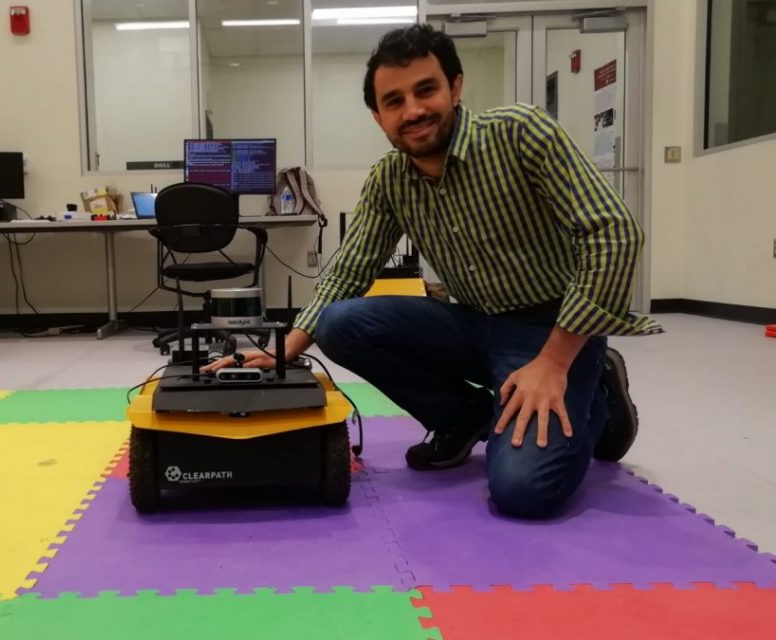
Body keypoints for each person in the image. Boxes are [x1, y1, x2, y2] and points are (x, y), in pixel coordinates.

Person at [204, 24, 662, 519]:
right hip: (470, 320)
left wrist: (553, 362)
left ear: (455, 87)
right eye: (394, 101)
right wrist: (287, 348)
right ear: (379, 117)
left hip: (549, 330)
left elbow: (614, 232)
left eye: (426, 90)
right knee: (339, 323)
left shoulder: (521, 133)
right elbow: (348, 271)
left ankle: (597, 396)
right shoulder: (390, 178)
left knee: (523, 489)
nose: (413, 111)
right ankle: (463, 416)